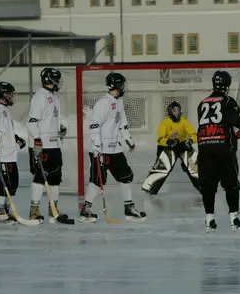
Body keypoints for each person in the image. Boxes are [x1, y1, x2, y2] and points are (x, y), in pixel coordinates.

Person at [80, 72, 146, 222]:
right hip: (101, 150)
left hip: (115, 149)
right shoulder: (103, 103)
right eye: (122, 84)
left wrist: (128, 139)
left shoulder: (119, 102)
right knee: (97, 180)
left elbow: (122, 123)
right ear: (116, 85)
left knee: (126, 177)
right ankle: (86, 209)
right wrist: (97, 146)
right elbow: (94, 125)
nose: (124, 87)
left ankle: (129, 209)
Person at [196, 70, 240, 233]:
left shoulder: (202, 103)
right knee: (231, 184)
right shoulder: (228, 101)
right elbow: (237, 121)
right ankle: (234, 217)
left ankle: (209, 219)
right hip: (223, 148)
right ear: (227, 84)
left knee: (208, 185)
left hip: (205, 148)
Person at [27, 67, 73, 224]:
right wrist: (37, 141)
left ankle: (53, 209)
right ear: (49, 80)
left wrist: (59, 128)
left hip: (54, 144)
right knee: (40, 178)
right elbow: (31, 123)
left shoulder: (54, 96)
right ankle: (34, 210)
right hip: (43, 145)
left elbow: (50, 119)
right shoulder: (39, 97)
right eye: (56, 79)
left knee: (55, 178)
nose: (59, 82)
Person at [0, 82, 27, 223]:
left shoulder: (5, 110)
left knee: (12, 183)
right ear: (3, 94)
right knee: (2, 185)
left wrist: (16, 138)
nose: (12, 96)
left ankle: (7, 208)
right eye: (10, 93)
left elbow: (3, 131)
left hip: (10, 154)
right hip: (1, 156)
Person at [141, 101, 201, 195]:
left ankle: (203, 185)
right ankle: (151, 187)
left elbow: (194, 135)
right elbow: (160, 139)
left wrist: (190, 141)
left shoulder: (184, 121)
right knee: (162, 167)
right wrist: (168, 141)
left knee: (193, 165)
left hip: (181, 146)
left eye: (178, 110)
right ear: (170, 111)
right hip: (168, 147)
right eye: (174, 110)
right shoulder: (164, 123)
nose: (176, 112)